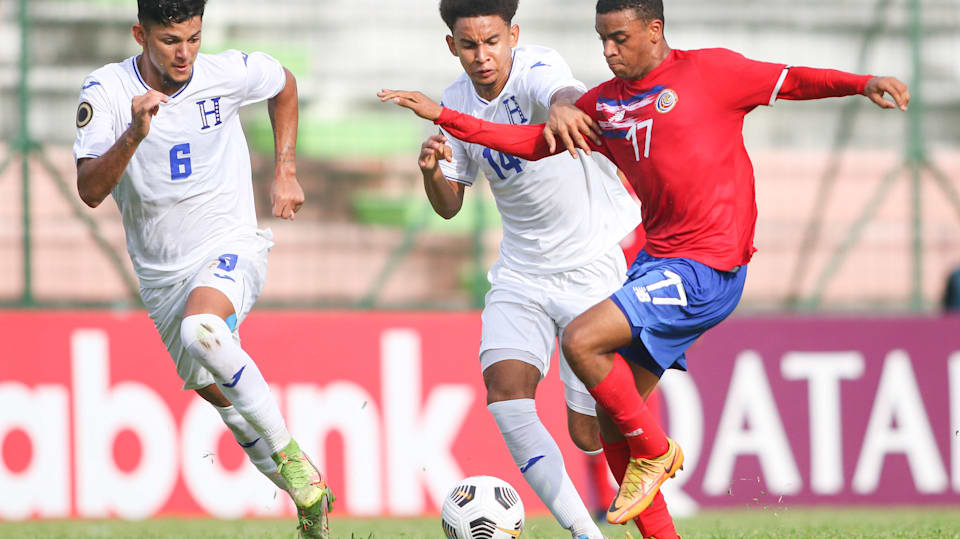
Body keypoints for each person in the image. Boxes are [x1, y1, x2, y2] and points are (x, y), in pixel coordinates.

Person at [379, 0, 910, 535]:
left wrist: (862, 82)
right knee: (602, 427)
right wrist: (445, 118)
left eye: (619, 38)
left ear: (655, 31)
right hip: (645, 261)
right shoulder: (607, 106)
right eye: (602, 39)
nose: (607, 51)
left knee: (583, 342)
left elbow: (792, 80)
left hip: (705, 263)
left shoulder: (708, 72)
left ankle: (655, 451)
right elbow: (534, 145)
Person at [72, 1, 333, 536]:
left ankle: (294, 460)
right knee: (221, 397)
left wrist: (285, 169)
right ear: (140, 34)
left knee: (204, 329)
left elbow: (283, 83)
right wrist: (133, 135)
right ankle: (309, 504)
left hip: (229, 240)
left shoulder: (225, 72)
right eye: (171, 41)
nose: (186, 52)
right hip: (161, 275)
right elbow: (90, 190)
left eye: (193, 37)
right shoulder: (107, 92)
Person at [390, 1, 643, 537]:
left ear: (513, 36)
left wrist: (562, 106)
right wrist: (432, 171)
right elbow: (449, 206)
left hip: (590, 265)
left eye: (492, 42)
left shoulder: (536, 69)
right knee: (505, 391)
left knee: (587, 435)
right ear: (451, 46)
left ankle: (644, 377)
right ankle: (584, 531)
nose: (482, 56)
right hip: (522, 272)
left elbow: (563, 93)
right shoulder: (455, 104)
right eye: (468, 45)